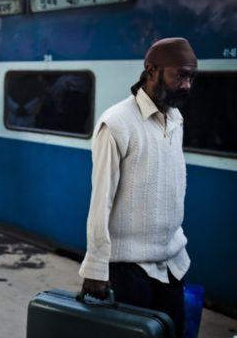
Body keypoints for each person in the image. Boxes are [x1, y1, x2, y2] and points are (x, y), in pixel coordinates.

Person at [79, 37, 198, 338]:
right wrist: (96, 267)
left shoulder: (176, 118)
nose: (187, 85)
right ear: (151, 70)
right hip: (129, 270)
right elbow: (100, 200)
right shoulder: (117, 123)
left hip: (173, 263)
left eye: (191, 77)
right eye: (180, 75)